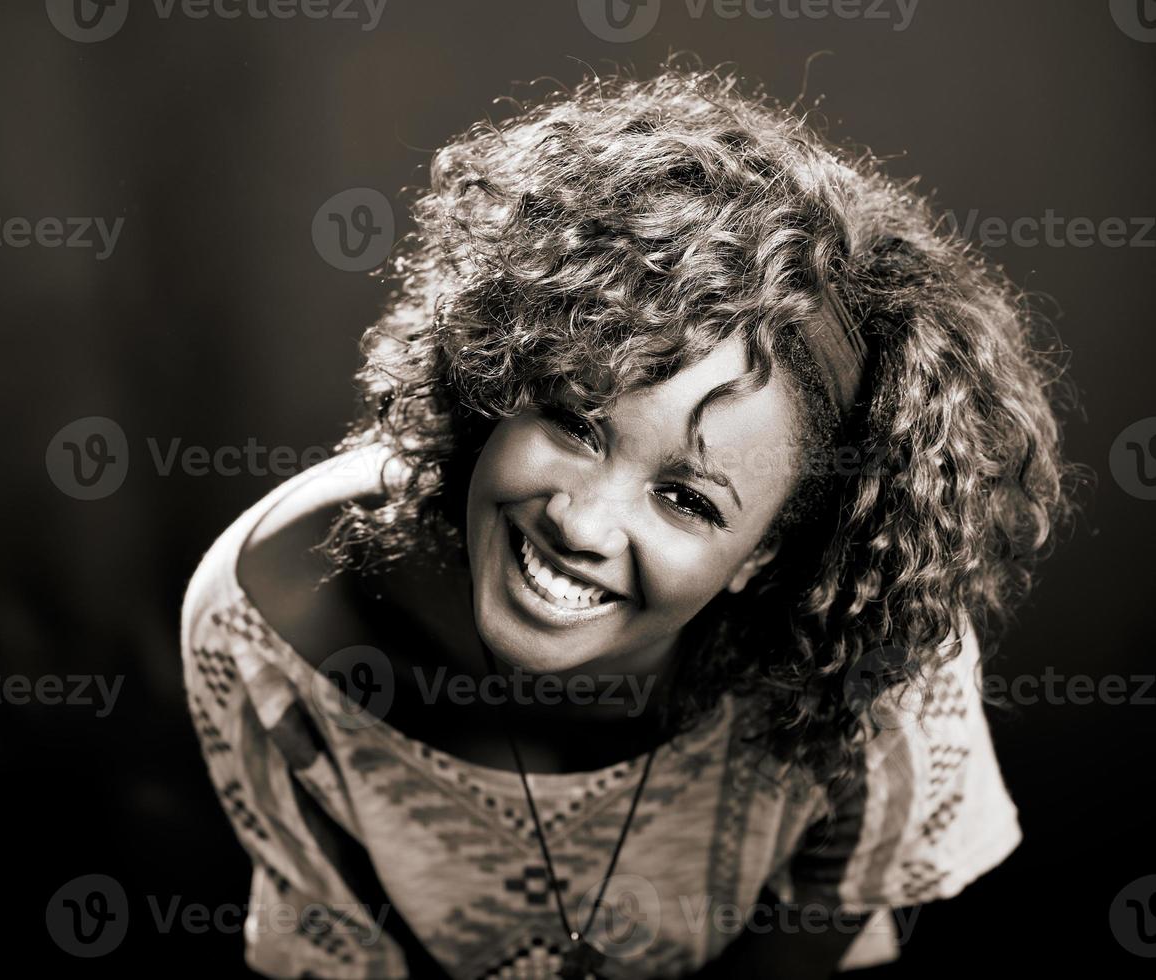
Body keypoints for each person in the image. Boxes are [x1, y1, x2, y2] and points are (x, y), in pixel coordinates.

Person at [180, 62, 1073, 978]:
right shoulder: (269, 616)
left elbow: (821, 925)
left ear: (761, 555)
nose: (584, 524)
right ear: (500, 382)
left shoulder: (872, 648)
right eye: (573, 421)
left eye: (687, 499)